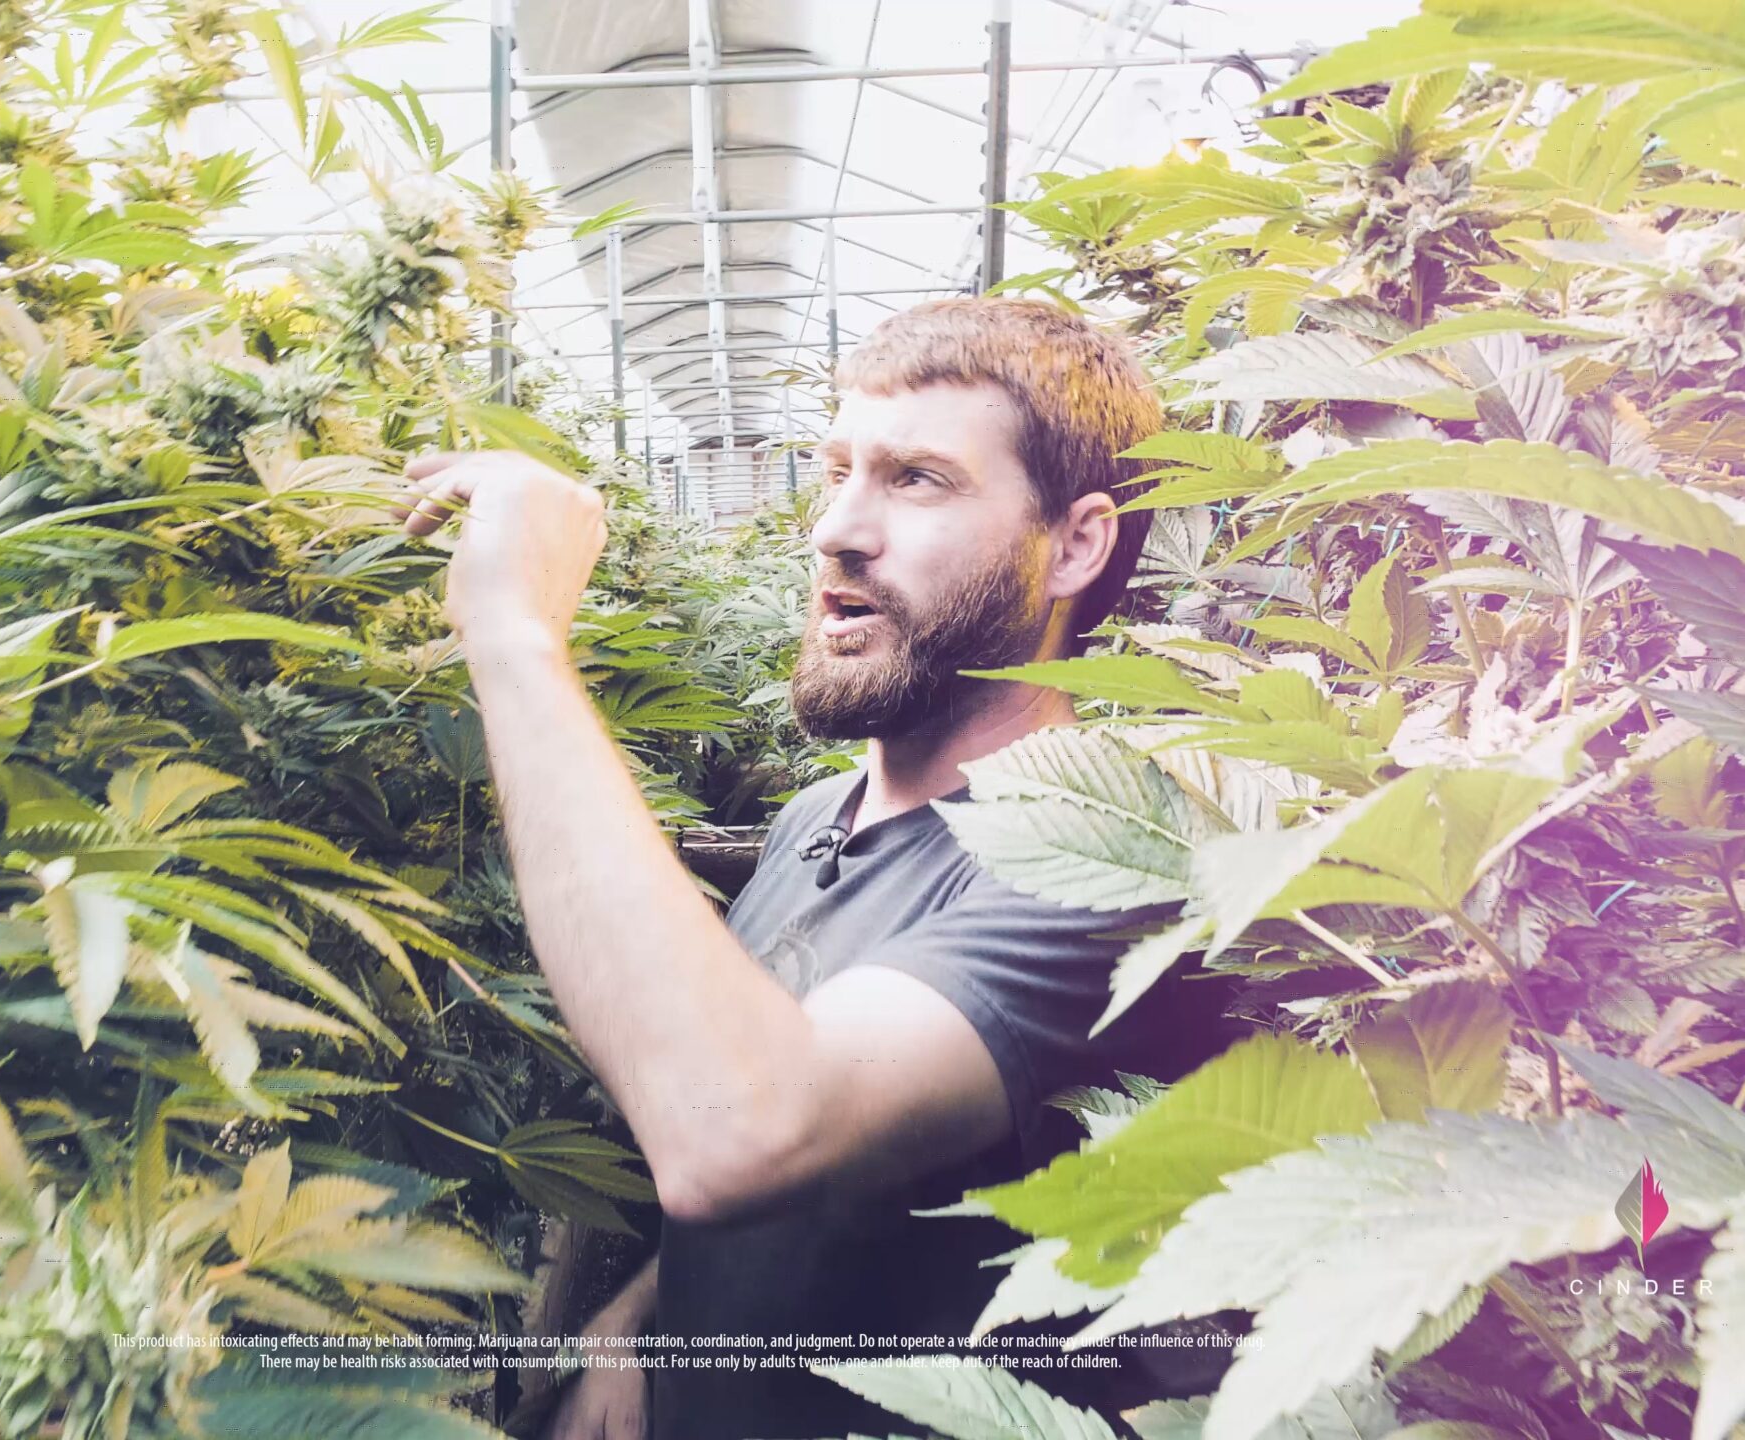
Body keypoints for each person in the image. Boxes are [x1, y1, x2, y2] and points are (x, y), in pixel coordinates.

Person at [398, 297, 1249, 1440]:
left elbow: (743, 1129)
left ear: (1078, 544)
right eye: (837, 468)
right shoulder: (812, 816)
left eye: (916, 480)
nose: (837, 529)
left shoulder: (1111, 861)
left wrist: (514, 636)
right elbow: (831, 1181)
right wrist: (641, 1318)